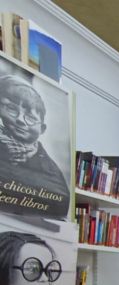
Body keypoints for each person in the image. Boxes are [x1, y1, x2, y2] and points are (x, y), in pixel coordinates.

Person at [0, 75, 69, 219]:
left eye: (31, 118)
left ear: (42, 129)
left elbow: (60, 208)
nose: (20, 120)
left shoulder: (53, 174)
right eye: (12, 109)